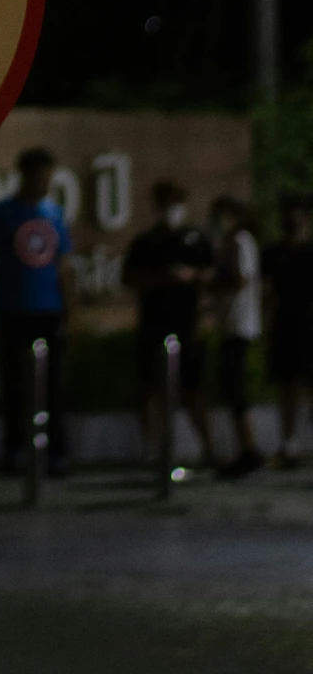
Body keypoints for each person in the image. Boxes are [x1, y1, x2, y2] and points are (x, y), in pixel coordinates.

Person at [0, 147, 75, 476]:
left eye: (49, 175)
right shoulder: (3, 213)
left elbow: (64, 265)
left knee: (53, 385)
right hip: (13, 308)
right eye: (40, 175)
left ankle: (55, 452)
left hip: (49, 310)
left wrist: (71, 310)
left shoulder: (54, 214)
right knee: (13, 384)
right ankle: (14, 450)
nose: (44, 182)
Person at [122, 180, 216, 468]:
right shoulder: (145, 242)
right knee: (149, 387)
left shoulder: (195, 239)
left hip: (187, 325)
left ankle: (208, 449)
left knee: (192, 389)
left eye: (175, 203)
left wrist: (191, 276)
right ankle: (153, 450)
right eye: (165, 203)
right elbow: (129, 278)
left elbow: (212, 273)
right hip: (153, 325)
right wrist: (161, 279)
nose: (170, 209)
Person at [209, 194, 264, 477]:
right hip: (230, 325)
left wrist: (208, 283)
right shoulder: (230, 242)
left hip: (239, 324)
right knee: (231, 387)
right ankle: (245, 449)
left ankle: (249, 450)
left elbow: (240, 280)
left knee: (236, 387)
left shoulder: (240, 242)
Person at [262, 193, 313, 469]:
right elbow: (269, 293)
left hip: (309, 324)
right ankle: (289, 442)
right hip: (285, 324)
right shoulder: (274, 253)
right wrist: (268, 327)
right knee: (287, 384)